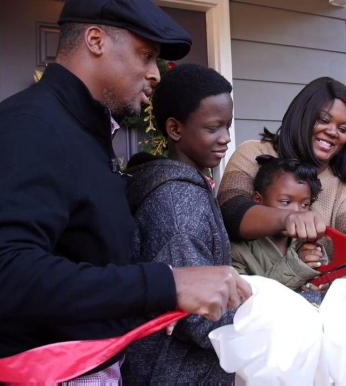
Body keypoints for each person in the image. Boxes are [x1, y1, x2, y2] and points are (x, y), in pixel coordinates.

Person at [0, 1, 250, 384]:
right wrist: (168, 284)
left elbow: (88, 262)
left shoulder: (86, 134)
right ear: (95, 40)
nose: (154, 74)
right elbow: (3, 278)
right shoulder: (30, 127)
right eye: (146, 55)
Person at [121, 63, 235, 383]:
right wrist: (282, 311)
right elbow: (200, 318)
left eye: (228, 125)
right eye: (213, 127)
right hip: (176, 372)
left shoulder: (186, 188)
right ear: (175, 129)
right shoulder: (178, 205)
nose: (225, 138)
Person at [218, 77, 346, 248]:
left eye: (343, 129)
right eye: (323, 120)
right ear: (302, 116)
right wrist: (288, 218)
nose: (332, 132)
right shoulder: (253, 152)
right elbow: (229, 211)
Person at [231, 155, 327, 298]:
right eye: (285, 202)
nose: (296, 212)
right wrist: (296, 266)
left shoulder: (310, 245)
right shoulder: (238, 251)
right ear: (258, 200)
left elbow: (326, 284)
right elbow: (243, 302)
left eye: (305, 204)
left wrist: (323, 285)